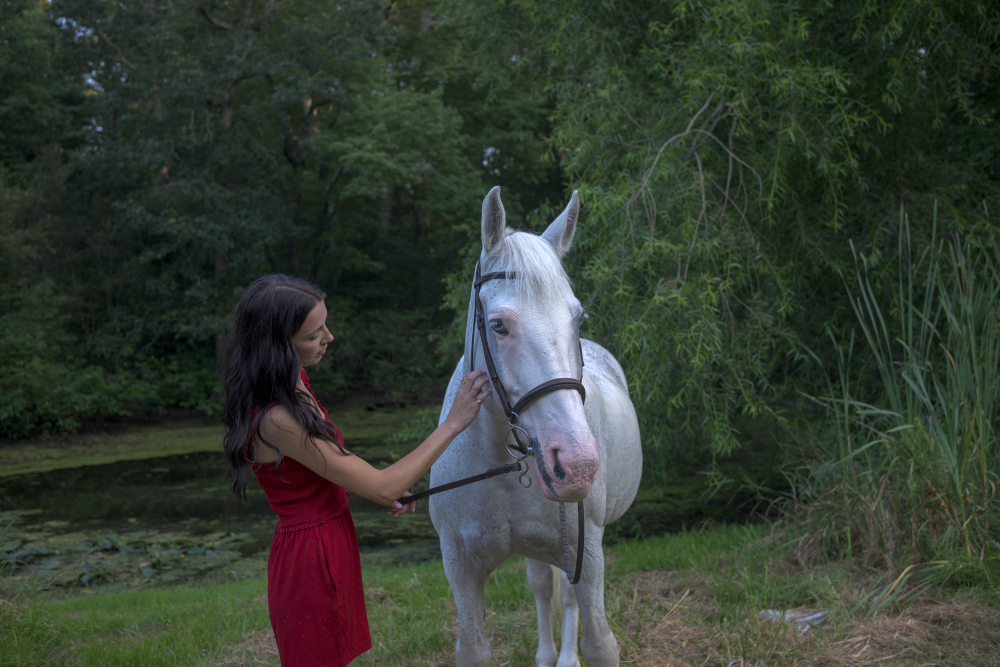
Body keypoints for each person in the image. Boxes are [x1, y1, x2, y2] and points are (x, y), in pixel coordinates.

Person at [221, 274, 491, 667]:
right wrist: (453, 423)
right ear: (279, 345)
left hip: (329, 539)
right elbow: (382, 488)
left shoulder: (294, 382)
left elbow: (328, 465)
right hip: (310, 558)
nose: (328, 337)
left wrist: (374, 485)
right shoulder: (278, 419)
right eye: (314, 334)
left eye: (325, 325)